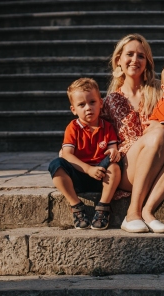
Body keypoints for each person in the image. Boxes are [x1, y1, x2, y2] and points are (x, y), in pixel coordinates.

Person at [102, 34, 164, 234]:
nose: (135, 60)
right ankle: (132, 213)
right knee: (158, 134)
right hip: (132, 169)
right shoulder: (112, 100)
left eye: (141, 56)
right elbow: (98, 134)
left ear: (147, 61)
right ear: (118, 60)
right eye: (129, 54)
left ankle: (148, 211)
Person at [48, 78, 122, 230]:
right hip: (79, 175)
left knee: (115, 165)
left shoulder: (107, 126)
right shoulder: (73, 128)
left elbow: (113, 148)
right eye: (81, 104)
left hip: (102, 176)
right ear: (73, 109)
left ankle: (103, 206)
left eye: (92, 102)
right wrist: (88, 169)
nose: (88, 108)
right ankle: (76, 205)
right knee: (56, 165)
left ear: (101, 103)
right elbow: (67, 154)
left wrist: (114, 152)